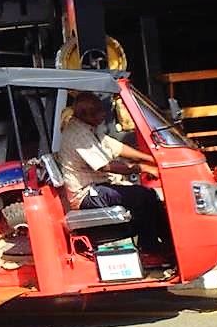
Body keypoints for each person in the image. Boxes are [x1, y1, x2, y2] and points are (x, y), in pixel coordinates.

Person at [58, 92, 168, 256]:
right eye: (98, 111)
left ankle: (166, 244)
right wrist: (142, 168)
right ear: (85, 114)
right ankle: (150, 248)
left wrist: (153, 158)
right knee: (143, 196)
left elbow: (117, 147)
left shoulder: (89, 128)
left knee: (153, 198)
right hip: (87, 194)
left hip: (100, 186)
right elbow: (105, 166)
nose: (103, 115)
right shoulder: (77, 134)